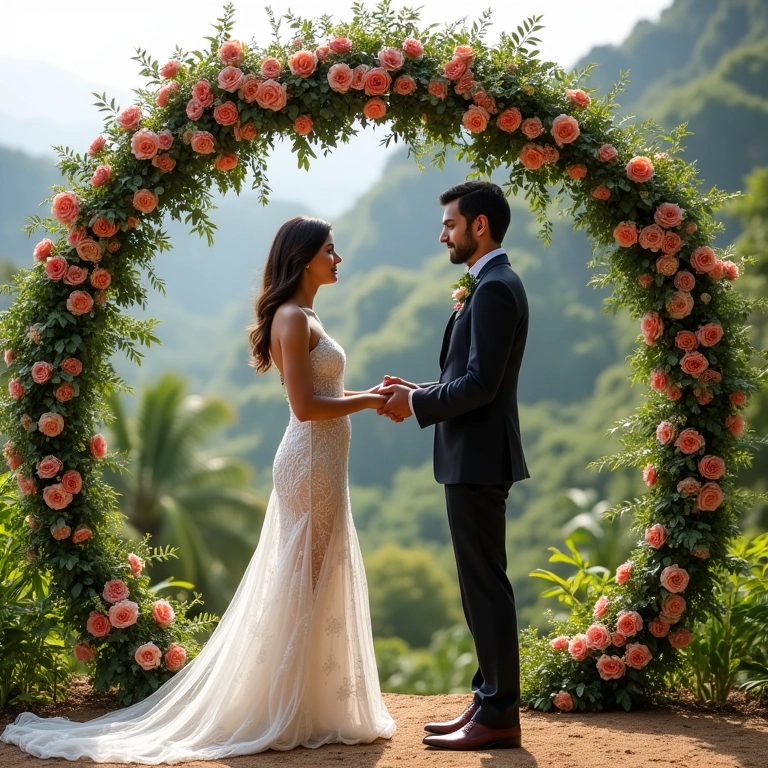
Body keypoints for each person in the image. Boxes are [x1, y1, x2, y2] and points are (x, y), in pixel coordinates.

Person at [1, 216, 396, 763]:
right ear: (305, 256)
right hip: (309, 462)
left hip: (324, 462)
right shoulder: (290, 316)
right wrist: (372, 403)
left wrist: (370, 392)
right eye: (331, 249)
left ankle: (305, 702)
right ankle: (280, 706)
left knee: (314, 574)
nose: (339, 257)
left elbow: (324, 389)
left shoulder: (306, 315)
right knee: (304, 576)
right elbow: (305, 407)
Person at [379, 181, 529, 751]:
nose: (442, 233)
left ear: (480, 226)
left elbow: (480, 386)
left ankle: (498, 713)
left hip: (478, 457)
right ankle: (487, 700)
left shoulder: (493, 290)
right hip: (471, 455)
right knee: (477, 585)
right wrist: (416, 389)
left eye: (449, 223)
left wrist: (416, 403)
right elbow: (464, 380)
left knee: (485, 585)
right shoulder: (488, 284)